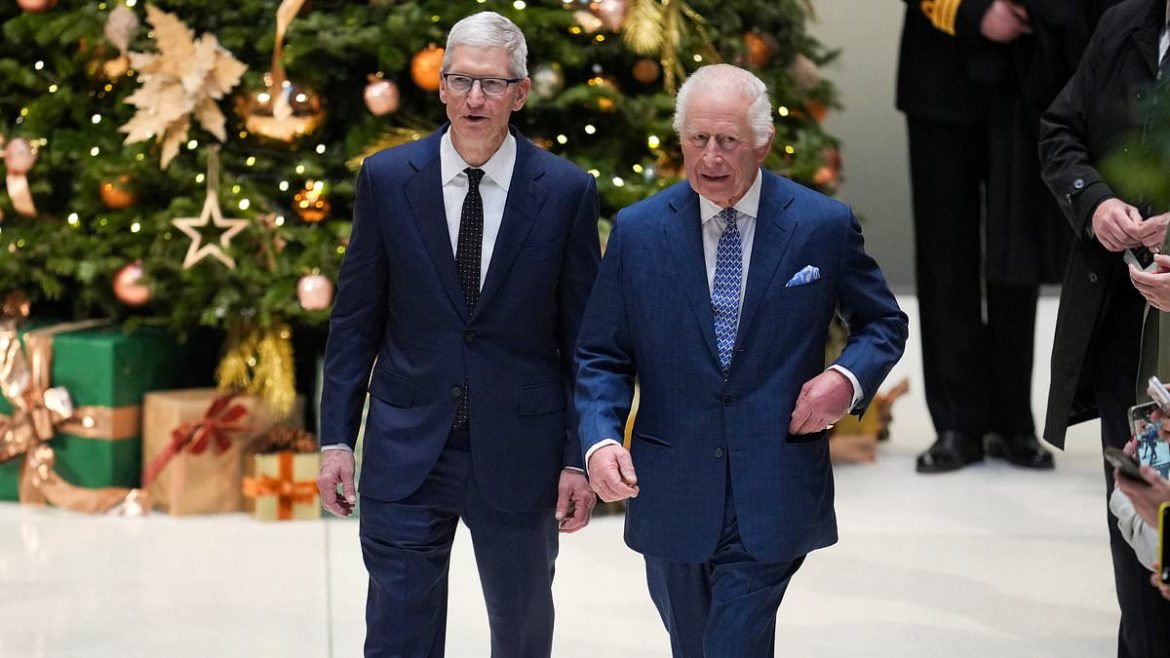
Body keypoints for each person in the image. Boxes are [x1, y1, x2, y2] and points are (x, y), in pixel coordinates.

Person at [575, 64, 908, 658]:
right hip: (672, 485)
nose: (710, 157)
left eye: (727, 141)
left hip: (775, 478)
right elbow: (602, 354)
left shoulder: (819, 225)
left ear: (762, 143)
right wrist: (600, 441)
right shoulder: (639, 231)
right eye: (697, 139)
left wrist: (844, 380)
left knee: (733, 644)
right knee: (693, 642)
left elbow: (883, 321)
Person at [315, 11, 600, 657]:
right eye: (461, 81)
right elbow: (356, 321)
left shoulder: (564, 192)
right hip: (408, 447)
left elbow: (584, 341)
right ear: (440, 86)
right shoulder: (387, 180)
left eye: (493, 84)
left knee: (522, 628)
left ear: (520, 93)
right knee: (398, 630)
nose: (475, 98)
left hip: (521, 453)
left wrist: (574, 455)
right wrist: (336, 439)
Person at [896, 0, 1079, 473]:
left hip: (1026, 74)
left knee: (1016, 252)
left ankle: (1012, 418)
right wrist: (974, 14)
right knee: (945, 255)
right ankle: (957, 422)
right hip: (941, 70)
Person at [1039, 0, 1170, 654]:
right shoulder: (1125, 24)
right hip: (1126, 325)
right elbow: (1060, 129)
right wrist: (1093, 200)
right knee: (1136, 513)